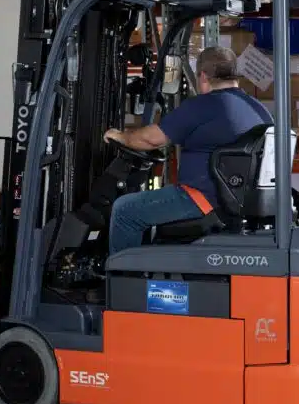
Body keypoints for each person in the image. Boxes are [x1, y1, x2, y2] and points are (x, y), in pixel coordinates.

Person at [103, 46, 273, 255]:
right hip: (237, 204)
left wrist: (119, 136)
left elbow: (151, 140)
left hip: (201, 199)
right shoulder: (259, 110)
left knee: (125, 210)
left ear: (203, 76)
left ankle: (122, 280)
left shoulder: (206, 105)